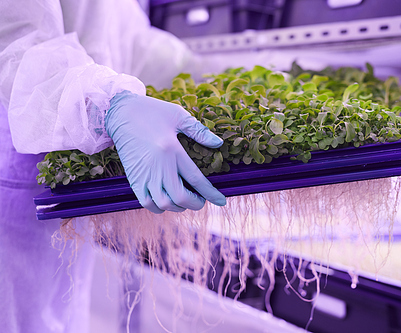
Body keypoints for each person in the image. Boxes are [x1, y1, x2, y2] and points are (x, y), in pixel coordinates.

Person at [0, 0, 230, 332]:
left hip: (62, 191)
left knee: (56, 309)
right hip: (12, 179)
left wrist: (225, 70)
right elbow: (13, 46)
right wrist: (109, 104)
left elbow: (130, 41)